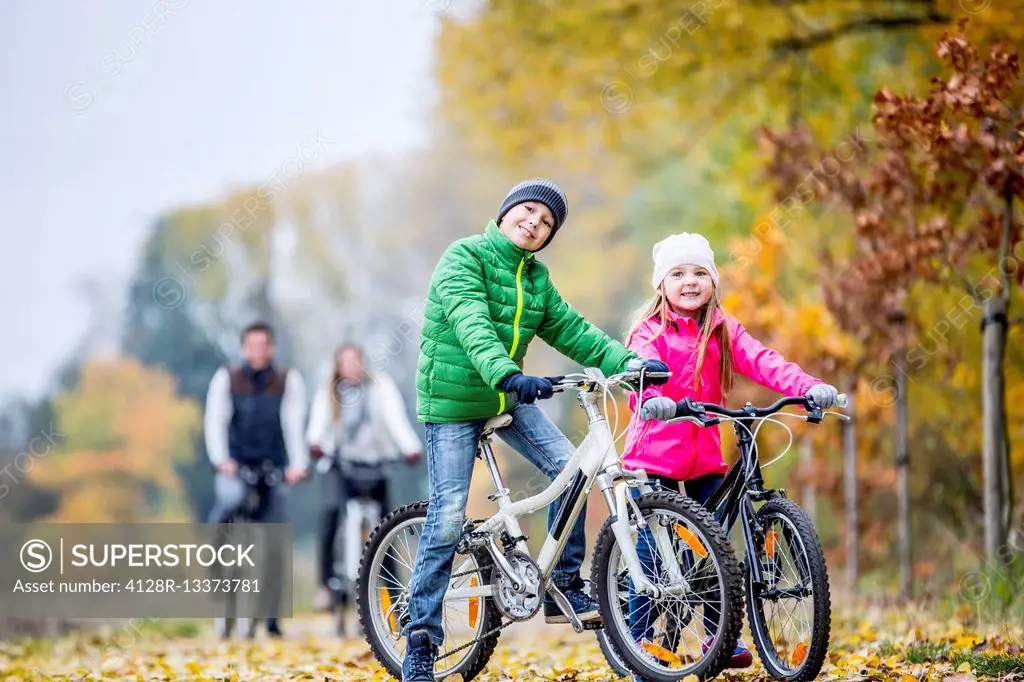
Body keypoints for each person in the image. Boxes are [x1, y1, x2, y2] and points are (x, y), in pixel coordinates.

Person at [400, 178, 669, 681]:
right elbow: (470, 321)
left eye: (547, 223)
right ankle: (420, 640)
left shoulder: (536, 278)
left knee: (573, 473)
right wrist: (506, 372)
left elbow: (572, 330)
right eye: (528, 211)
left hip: (506, 393)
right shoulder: (465, 257)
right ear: (504, 214)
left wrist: (631, 363)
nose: (535, 223)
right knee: (448, 515)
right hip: (455, 401)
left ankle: (563, 582)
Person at [621, 233, 839, 670]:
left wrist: (808, 386)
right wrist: (649, 397)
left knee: (714, 548)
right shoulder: (650, 331)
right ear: (660, 284)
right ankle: (639, 640)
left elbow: (763, 360)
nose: (690, 282)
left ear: (713, 282)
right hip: (653, 456)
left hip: (703, 457)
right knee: (653, 545)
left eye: (700, 273)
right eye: (678, 274)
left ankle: (717, 640)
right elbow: (635, 373)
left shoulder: (722, 328)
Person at [306, 342, 423, 632]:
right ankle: (326, 586)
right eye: (343, 362)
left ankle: (396, 602)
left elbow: (396, 420)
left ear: (363, 363)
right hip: (339, 467)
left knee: (387, 529)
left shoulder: (380, 387)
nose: (350, 367)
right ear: (337, 366)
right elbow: (317, 428)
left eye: (354, 361)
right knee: (330, 514)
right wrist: (317, 445)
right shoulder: (328, 392)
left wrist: (409, 447)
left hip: (374, 466)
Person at [205, 321, 309, 639]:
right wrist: (221, 459)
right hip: (235, 466)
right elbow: (215, 420)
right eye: (252, 345)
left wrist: (298, 465)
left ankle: (272, 616)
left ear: (271, 348)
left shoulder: (286, 379)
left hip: (272, 467)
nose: (258, 351)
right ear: (243, 348)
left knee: (277, 539)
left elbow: (293, 424)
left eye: (264, 345)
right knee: (230, 502)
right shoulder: (227, 378)